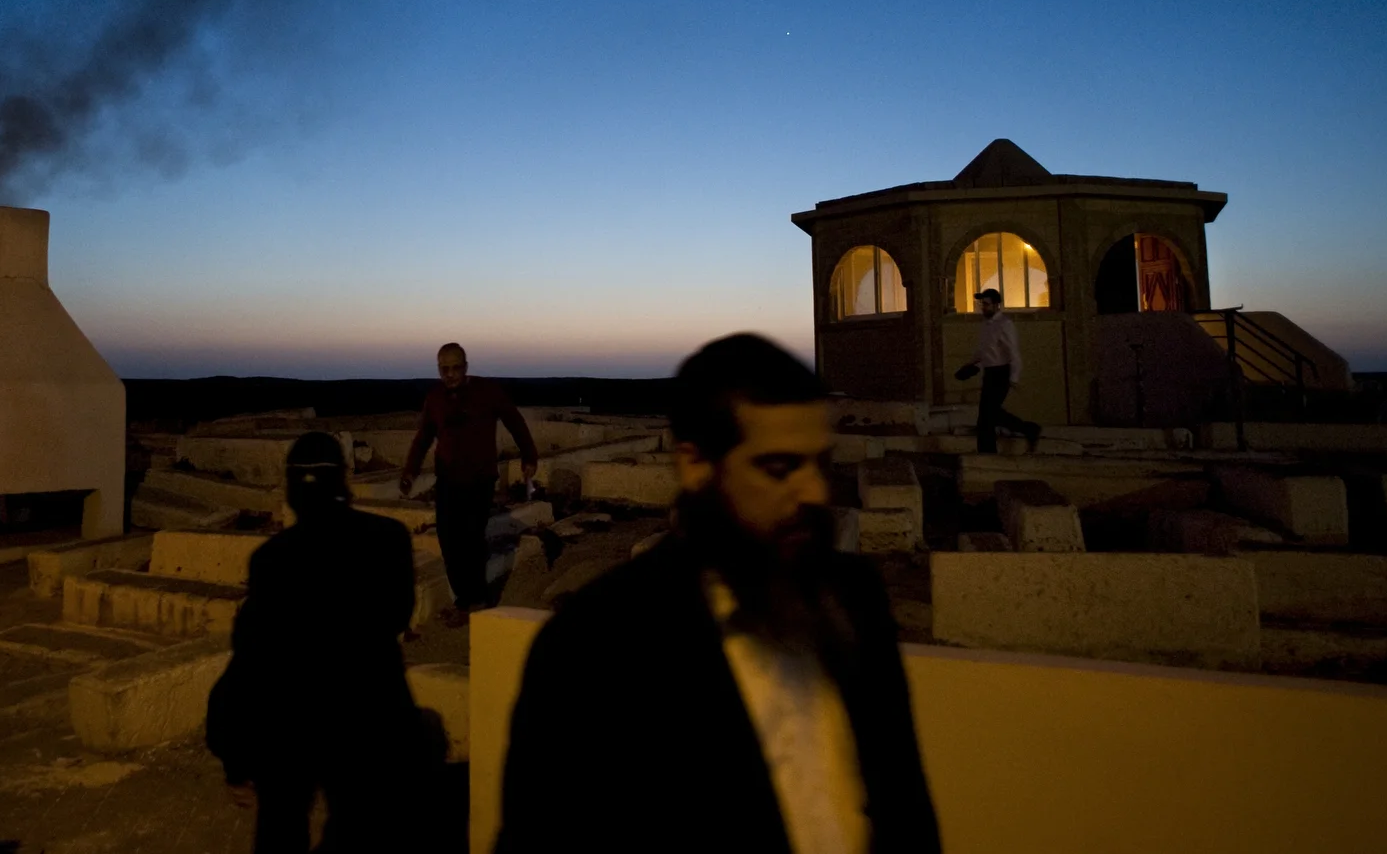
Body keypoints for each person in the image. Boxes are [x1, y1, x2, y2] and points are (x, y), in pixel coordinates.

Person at [497, 333, 940, 854]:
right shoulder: (593, 648)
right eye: (779, 468)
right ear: (696, 465)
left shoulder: (853, 597)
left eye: (820, 464)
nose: (815, 493)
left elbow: (905, 808)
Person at [206, 432, 431, 854]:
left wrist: (235, 757)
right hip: (370, 716)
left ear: (291, 488)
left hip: (292, 725)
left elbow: (250, 659)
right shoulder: (388, 539)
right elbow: (397, 616)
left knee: (279, 825)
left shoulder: (270, 559)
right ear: (343, 481)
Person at [399, 343, 538, 624]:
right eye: (444, 369)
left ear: (465, 366)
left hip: (479, 478)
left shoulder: (487, 392)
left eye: (455, 368)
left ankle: (476, 600)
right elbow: (423, 437)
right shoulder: (435, 399)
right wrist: (410, 472)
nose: (449, 374)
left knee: (471, 538)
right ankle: (466, 599)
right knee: (449, 539)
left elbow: (515, 421)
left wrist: (529, 455)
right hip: (448, 479)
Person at [955, 287, 1041, 454]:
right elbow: (984, 351)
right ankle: (1028, 430)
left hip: (1001, 373)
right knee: (989, 414)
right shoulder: (987, 325)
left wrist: (1013, 378)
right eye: (982, 304)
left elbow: (1013, 352)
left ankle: (989, 452)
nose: (983, 307)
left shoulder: (1005, 324)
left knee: (987, 415)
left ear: (996, 305)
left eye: (986, 304)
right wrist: (970, 365)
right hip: (990, 373)